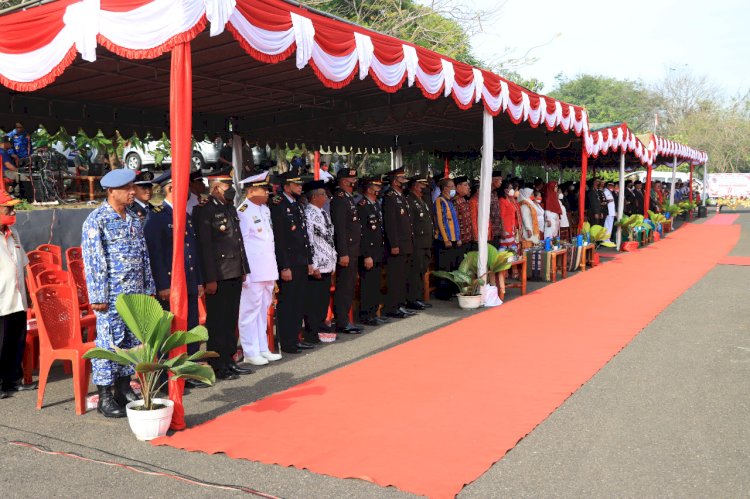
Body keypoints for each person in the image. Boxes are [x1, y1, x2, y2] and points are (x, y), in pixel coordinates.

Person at [81, 169, 155, 418]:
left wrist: (148, 289)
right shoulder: (97, 219)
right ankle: (104, 395)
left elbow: (144, 256)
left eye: (132, 187)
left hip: (134, 295)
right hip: (111, 296)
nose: (132, 192)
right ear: (112, 191)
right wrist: (98, 296)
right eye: (126, 189)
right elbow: (93, 261)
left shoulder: (134, 217)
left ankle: (123, 389)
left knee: (130, 343)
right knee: (108, 344)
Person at [143, 170, 207, 387]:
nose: (188, 191)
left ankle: (185, 372)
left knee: (189, 327)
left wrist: (197, 280)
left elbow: (192, 251)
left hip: (187, 280)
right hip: (170, 284)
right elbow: (156, 253)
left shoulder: (184, 215)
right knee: (169, 331)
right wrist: (162, 284)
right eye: (183, 186)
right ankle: (165, 377)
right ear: (170, 188)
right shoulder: (157, 216)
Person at [193, 174, 252, 380]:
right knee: (217, 321)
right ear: (216, 187)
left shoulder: (229, 206)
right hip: (218, 274)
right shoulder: (204, 210)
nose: (230, 188)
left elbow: (237, 241)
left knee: (230, 319)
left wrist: (243, 268)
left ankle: (229, 359)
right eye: (226, 185)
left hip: (234, 270)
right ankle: (218, 364)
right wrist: (210, 278)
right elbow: (205, 248)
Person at [236, 172, 283, 365]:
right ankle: (250, 351)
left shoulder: (264, 209)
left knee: (263, 310)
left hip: (267, 268)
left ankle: (263, 347)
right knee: (249, 312)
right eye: (263, 189)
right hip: (253, 270)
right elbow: (242, 244)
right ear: (251, 190)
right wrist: (244, 271)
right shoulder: (243, 211)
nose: (267, 192)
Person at [270, 172, 315, 353]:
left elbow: (303, 236)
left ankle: (296, 337)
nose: (300, 187)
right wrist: (284, 266)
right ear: (286, 186)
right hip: (289, 262)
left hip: (300, 260)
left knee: (298, 301)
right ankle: (287, 341)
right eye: (296, 185)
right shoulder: (278, 204)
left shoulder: (296, 203)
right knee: (288, 303)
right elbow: (279, 240)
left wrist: (309, 261)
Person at [0, 192, 30, 398]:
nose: (13, 211)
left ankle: (12, 380)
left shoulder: (14, 233)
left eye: (13, 207)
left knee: (16, 340)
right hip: (1, 300)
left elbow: (24, 264)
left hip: (18, 298)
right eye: (7, 208)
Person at [330, 168, 363, 334]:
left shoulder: (348, 198)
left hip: (353, 249)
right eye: (351, 179)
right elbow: (340, 229)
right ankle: (342, 321)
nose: (354, 181)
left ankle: (346, 319)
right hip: (347, 251)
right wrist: (343, 252)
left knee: (349, 286)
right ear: (343, 181)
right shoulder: (340, 199)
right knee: (344, 286)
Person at [303, 180, 337, 342]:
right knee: (314, 301)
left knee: (323, 299)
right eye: (323, 194)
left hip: (327, 262)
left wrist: (333, 259)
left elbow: (329, 237)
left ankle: (320, 324)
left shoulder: (322, 212)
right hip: (317, 265)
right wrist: (314, 265)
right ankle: (312, 331)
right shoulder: (309, 214)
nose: (326, 197)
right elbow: (309, 240)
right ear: (315, 197)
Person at [382, 167, 417, 317]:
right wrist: (394, 244)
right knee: (395, 277)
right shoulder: (390, 197)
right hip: (398, 245)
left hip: (406, 243)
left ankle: (400, 304)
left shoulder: (401, 196)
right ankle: (392, 307)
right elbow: (391, 224)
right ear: (395, 181)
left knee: (403, 276)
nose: (404, 182)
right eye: (402, 179)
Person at [357, 177, 387, 325]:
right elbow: (362, 233)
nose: (379, 189)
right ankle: (366, 315)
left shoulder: (375, 204)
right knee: (368, 285)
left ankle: (374, 313)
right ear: (368, 189)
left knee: (375, 284)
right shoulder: (362, 205)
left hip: (378, 251)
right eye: (376, 186)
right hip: (369, 253)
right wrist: (366, 255)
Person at [405, 176, 433, 310]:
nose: (425, 188)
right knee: (415, 272)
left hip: (425, 242)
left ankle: (419, 297)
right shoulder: (410, 200)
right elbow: (410, 224)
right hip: (417, 243)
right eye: (422, 185)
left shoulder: (422, 200)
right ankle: (413, 299)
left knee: (422, 271)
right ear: (416, 186)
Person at [433, 177, 461, 300]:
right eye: (452, 187)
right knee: (444, 268)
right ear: (445, 188)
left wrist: (458, 238)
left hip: (454, 239)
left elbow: (454, 222)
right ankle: (443, 294)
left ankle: (452, 291)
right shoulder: (440, 201)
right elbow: (440, 221)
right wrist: (446, 239)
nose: (454, 189)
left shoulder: (450, 201)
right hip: (443, 241)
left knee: (453, 266)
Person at [452, 176, 473, 253]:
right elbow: (454, 221)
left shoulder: (463, 198)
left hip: (467, 239)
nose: (468, 187)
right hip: (460, 241)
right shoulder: (454, 200)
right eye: (465, 185)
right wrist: (458, 238)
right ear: (458, 187)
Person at [498, 181, 518, 248]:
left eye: (512, 188)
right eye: (510, 188)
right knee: (506, 250)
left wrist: (514, 227)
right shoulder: (502, 200)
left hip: (511, 228)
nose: (512, 190)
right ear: (505, 190)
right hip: (506, 229)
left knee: (512, 249)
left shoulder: (510, 199)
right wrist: (503, 230)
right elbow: (501, 216)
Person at [489, 171, 504, 246]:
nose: (501, 182)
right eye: (500, 180)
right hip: (490, 231)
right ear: (494, 180)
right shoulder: (486, 193)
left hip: (497, 230)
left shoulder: (495, 193)